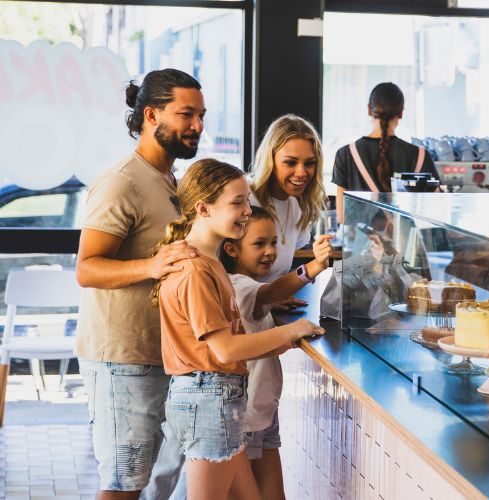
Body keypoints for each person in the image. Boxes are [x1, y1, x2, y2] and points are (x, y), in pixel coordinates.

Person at [151, 159, 325, 500]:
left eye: (247, 200)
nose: (248, 210)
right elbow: (226, 349)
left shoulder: (209, 263)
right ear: (203, 208)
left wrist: (284, 343)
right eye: (237, 202)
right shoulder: (195, 271)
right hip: (208, 403)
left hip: (222, 400)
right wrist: (290, 332)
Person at [75, 68, 203, 498]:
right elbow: (87, 268)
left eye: (201, 115)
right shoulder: (121, 182)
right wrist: (151, 266)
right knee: (124, 485)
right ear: (151, 115)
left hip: (162, 355)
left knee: (149, 485)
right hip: (122, 362)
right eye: (186, 115)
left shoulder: (171, 181)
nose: (197, 126)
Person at [219, 205, 332, 499]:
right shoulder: (241, 286)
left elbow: (268, 297)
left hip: (260, 409)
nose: (270, 252)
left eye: (273, 243)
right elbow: (270, 292)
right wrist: (312, 269)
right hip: (249, 412)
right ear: (231, 249)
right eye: (259, 244)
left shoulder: (244, 285)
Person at [250, 114, 329, 307]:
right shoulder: (244, 199)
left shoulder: (298, 206)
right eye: (291, 162)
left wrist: (272, 300)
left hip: (265, 315)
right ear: (270, 160)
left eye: (309, 163)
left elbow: (273, 280)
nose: (302, 172)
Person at [332, 82, 438, 221]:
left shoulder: (345, 154)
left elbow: (342, 218)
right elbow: (434, 213)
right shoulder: (420, 156)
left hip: (361, 242)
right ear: (401, 113)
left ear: (369, 110)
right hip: (407, 241)